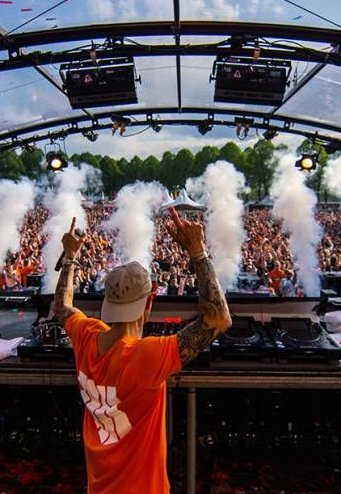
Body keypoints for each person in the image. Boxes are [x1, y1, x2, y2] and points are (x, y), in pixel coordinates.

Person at [50, 207, 232, 493]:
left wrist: (70, 256)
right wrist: (198, 251)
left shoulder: (86, 336)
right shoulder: (146, 356)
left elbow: (62, 306)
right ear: (148, 304)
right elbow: (219, 319)